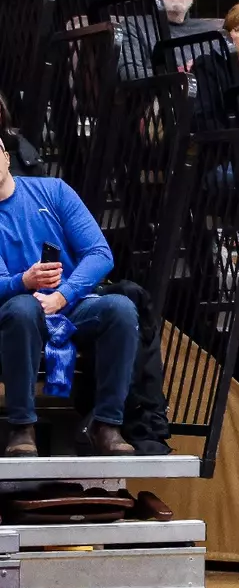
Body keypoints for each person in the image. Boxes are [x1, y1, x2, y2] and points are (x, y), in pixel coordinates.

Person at [0, 146, 139, 458]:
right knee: (23, 309)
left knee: (120, 308)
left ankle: (107, 424)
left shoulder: (54, 191)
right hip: (13, 312)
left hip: (69, 305)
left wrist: (64, 294)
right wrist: (23, 281)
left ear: (7, 157)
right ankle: (22, 426)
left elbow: (100, 253)